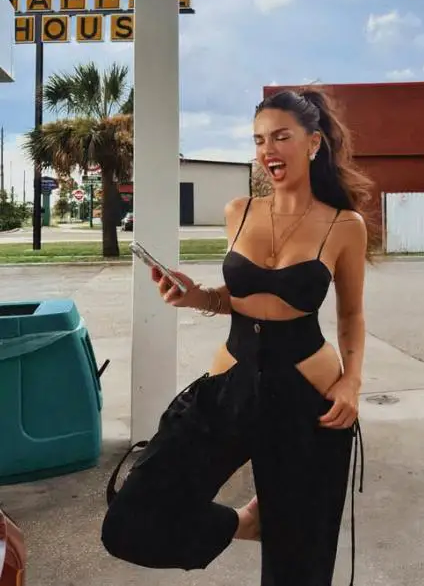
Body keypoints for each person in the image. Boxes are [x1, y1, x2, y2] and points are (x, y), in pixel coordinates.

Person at [101, 88, 377, 586]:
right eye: (259, 140)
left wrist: (352, 382)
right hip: (229, 384)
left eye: (281, 137)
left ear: (313, 142)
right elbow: (240, 296)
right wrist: (197, 296)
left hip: (307, 395)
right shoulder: (240, 211)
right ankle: (244, 523)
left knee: (300, 563)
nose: (268, 150)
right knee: (132, 520)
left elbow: (352, 314)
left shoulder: (344, 225)